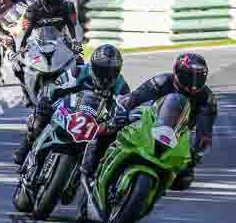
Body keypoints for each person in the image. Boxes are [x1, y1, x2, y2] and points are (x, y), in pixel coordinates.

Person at [82, 52, 217, 197]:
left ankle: (149, 195)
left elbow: (204, 134)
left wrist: (193, 156)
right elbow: (134, 98)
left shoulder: (207, 99)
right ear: (177, 72)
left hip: (176, 137)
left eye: (199, 77)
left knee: (184, 180)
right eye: (188, 76)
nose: (193, 83)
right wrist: (121, 114)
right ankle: (90, 171)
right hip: (148, 122)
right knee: (109, 131)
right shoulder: (162, 81)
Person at [12, 44, 127, 167]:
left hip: (96, 120)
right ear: (93, 67)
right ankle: (26, 146)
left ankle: (92, 171)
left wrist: (122, 120)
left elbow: (126, 107)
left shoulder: (120, 85)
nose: (105, 77)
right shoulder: (78, 72)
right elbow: (53, 86)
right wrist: (45, 98)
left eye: (111, 72)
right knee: (41, 113)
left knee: (114, 137)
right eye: (101, 71)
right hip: (69, 110)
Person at [12, 0, 82, 111]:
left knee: (78, 61)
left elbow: (73, 25)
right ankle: (26, 94)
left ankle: (80, 93)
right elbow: (26, 30)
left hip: (61, 39)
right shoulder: (33, 9)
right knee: (17, 66)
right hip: (36, 40)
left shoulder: (68, 6)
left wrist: (76, 41)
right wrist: (21, 47)